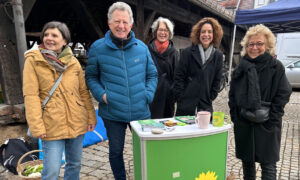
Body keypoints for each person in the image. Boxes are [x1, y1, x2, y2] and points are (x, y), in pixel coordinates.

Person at [85, 2, 157, 180]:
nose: (121, 26)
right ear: (109, 23)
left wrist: (147, 94)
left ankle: (146, 175)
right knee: (115, 151)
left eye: (125, 22)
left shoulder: (141, 47)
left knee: (145, 148)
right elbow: (91, 77)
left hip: (140, 109)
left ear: (131, 24)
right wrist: (102, 95)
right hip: (112, 111)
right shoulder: (97, 48)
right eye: (117, 21)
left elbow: (152, 75)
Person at [23, 21, 97, 180]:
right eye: (46, 35)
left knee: (74, 164)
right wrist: (36, 125)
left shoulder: (73, 61)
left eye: (54, 35)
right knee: (51, 171)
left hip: (77, 119)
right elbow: (31, 95)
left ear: (64, 41)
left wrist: (91, 115)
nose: (49, 38)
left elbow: (83, 92)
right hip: (51, 123)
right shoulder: (33, 60)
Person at [228, 24, 292, 180]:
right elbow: (233, 95)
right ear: (246, 46)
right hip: (244, 123)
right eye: (251, 44)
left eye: (259, 44)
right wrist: (236, 117)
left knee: (268, 166)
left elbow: (283, 93)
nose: (254, 47)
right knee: (247, 164)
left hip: (268, 123)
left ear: (268, 45)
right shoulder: (240, 68)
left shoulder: (275, 67)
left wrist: (273, 118)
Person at [173, 17, 224, 116]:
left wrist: (211, 96)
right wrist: (181, 97)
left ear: (214, 35)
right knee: (185, 131)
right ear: (198, 34)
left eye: (210, 32)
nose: (206, 35)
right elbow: (179, 77)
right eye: (203, 32)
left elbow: (217, 80)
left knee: (203, 130)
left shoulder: (218, 55)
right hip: (186, 104)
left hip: (205, 105)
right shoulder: (187, 53)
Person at [148, 17, 179, 118]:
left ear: (169, 33)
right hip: (151, 96)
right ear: (155, 31)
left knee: (166, 128)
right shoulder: (147, 50)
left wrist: (172, 95)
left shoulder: (174, 52)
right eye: (160, 29)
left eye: (166, 30)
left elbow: (177, 77)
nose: (163, 33)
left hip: (167, 99)